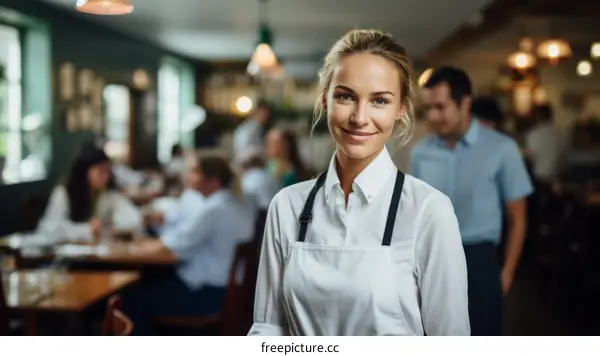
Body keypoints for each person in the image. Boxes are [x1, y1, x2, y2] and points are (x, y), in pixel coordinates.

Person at [248, 29, 469, 336]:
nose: (360, 117)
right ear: (325, 99)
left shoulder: (429, 211)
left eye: (379, 100)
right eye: (346, 96)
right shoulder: (286, 206)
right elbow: (268, 328)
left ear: (400, 108)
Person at [410, 66, 533, 336]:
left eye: (440, 107)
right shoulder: (421, 152)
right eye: (428, 108)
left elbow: (519, 218)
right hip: (432, 258)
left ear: (465, 102)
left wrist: (507, 274)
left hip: (480, 261)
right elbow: (414, 214)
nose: (432, 116)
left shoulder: (502, 148)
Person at [124, 155, 254, 335]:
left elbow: (175, 245)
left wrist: (135, 247)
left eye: (195, 172)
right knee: (151, 285)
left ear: (213, 181)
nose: (188, 176)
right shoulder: (231, 205)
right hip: (229, 294)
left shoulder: (213, 210)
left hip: (208, 295)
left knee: (131, 299)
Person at [37, 145, 142, 242]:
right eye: (100, 171)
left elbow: (131, 218)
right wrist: (86, 230)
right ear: (84, 170)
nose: (105, 176)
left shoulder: (108, 195)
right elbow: (49, 229)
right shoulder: (64, 193)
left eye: (107, 171)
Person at [524, 104, 567, 184]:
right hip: (560, 177)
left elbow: (531, 157)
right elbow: (564, 154)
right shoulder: (561, 132)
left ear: (537, 116)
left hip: (540, 177)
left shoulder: (534, 133)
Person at [233, 99, 272, 164]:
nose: (266, 117)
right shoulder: (253, 127)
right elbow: (249, 149)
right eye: (265, 113)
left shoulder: (251, 126)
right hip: (249, 163)